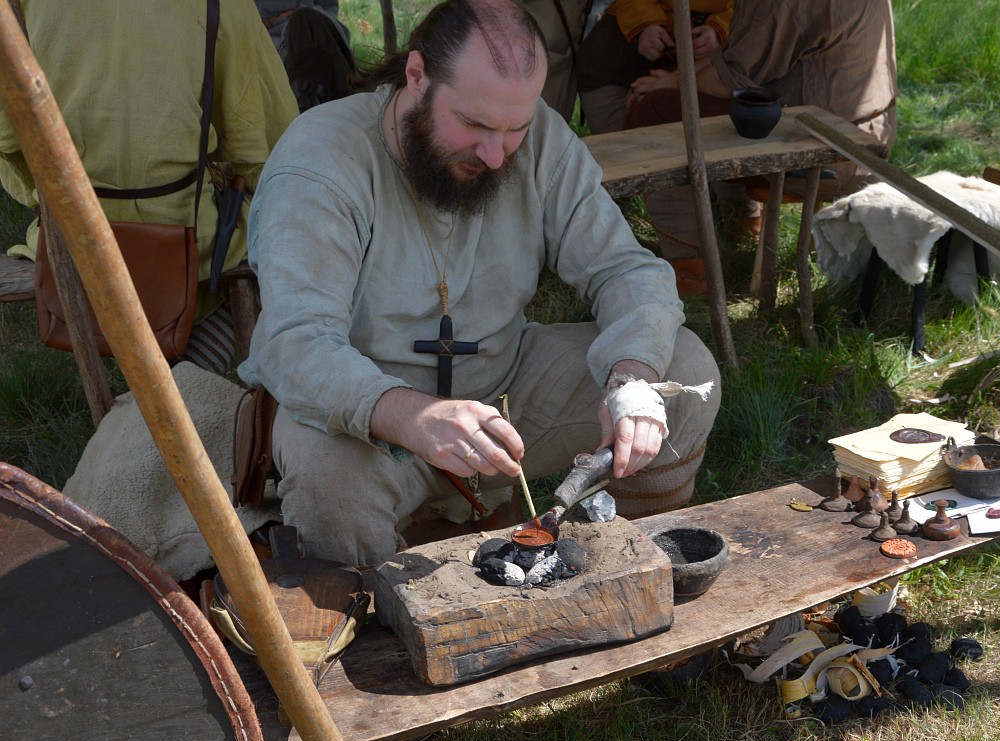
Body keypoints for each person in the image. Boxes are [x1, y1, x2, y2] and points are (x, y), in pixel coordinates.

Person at [238, 0, 722, 567]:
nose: (496, 155)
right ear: (416, 78)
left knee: (681, 370)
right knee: (330, 478)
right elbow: (297, 345)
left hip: (503, 390)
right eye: (473, 125)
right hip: (367, 418)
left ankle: (622, 563)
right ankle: (370, 629)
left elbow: (625, 269)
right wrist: (414, 417)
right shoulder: (321, 164)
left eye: (513, 129)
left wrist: (631, 379)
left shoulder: (537, 138)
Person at [0, 0, 299, 373]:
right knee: (274, 241)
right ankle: (191, 374)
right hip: (189, 239)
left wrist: (45, 193)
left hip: (68, 241)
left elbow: (9, 141)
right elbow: (266, 143)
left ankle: (165, 391)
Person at [623, 0, 898, 296]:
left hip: (825, 147)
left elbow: (731, 77)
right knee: (693, 103)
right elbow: (740, 61)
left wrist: (672, 83)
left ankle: (690, 269)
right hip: (865, 138)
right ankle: (742, 220)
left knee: (656, 110)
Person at [576, 0, 734, 133]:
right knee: (600, 54)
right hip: (648, 13)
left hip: (728, 33)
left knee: (662, 106)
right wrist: (646, 24)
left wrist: (721, 29)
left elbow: (755, 15)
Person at [255, 0, 357, 112]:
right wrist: (266, 21)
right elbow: (237, 16)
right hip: (272, 35)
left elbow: (329, 5)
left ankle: (318, 108)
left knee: (305, 20)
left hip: (317, 25)